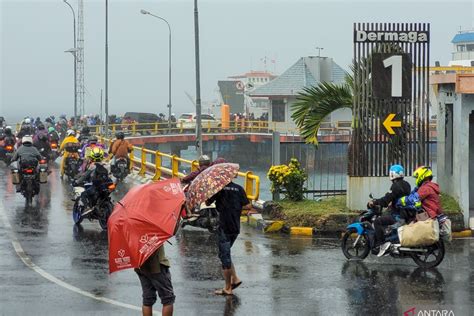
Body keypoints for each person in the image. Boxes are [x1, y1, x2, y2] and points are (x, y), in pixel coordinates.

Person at [206, 180, 252, 296]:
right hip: (235, 227)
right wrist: (235, 207)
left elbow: (207, 203)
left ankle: (227, 288)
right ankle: (235, 279)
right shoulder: (239, 188)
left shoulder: (218, 189)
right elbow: (248, 205)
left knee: (224, 257)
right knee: (225, 253)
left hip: (224, 227)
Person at [367, 164, 411, 257]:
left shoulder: (396, 186)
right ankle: (390, 240)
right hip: (405, 213)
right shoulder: (406, 184)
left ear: (392, 174)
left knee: (377, 222)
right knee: (386, 215)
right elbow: (396, 197)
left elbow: (386, 200)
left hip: (398, 215)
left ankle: (381, 244)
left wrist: (375, 202)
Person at [135, 245, 175, 316]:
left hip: (140, 264)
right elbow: (172, 233)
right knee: (168, 299)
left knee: (147, 299)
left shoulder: (130, 233)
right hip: (157, 265)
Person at [74, 147, 110, 212]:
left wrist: (77, 182)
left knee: (83, 194)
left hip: (96, 186)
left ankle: (87, 208)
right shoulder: (106, 165)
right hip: (106, 186)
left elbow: (85, 175)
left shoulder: (93, 166)